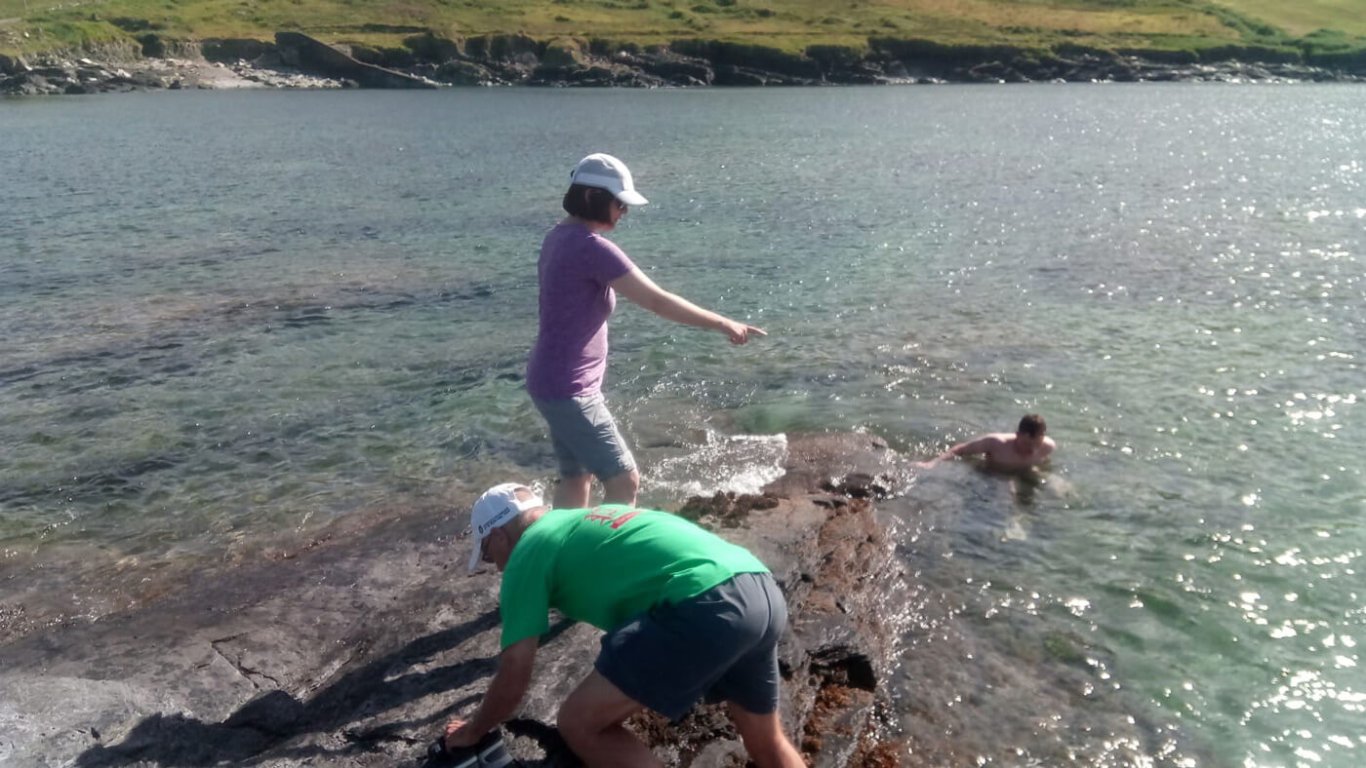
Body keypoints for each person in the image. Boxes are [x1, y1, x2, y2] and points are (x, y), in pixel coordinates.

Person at [436, 482, 806, 768]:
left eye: (487, 554)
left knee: (580, 723)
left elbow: (516, 669)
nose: (496, 567)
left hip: (702, 605)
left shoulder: (528, 550)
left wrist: (473, 731)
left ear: (499, 535)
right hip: (758, 586)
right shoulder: (590, 516)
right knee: (767, 741)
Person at [526, 153, 766, 510]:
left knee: (576, 477)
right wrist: (722, 322)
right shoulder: (592, 249)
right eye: (620, 203)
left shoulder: (558, 236)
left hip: (551, 382)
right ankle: (610, 561)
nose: (624, 212)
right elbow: (658, 301)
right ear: (593, 197)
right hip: (569, 390)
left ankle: (563, 557)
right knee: (624, 480)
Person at [919, 413, 1056, 471]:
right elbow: (959, 450)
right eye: (1027, 444)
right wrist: (932, 463)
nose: (1031, 450)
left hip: (1026, 471)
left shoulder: (1048, 447)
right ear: (1017, 435)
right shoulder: (995, 443)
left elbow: (1045, 463)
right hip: (996, 474)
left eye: (1036, 445)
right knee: (1008, 497)